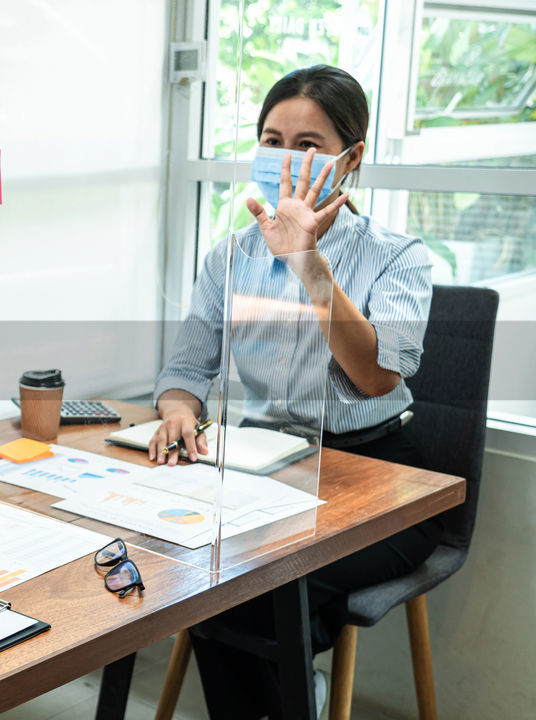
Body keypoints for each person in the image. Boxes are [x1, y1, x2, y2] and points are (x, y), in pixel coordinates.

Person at [151, 65, 443, 718]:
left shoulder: (401, 256)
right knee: (196, 563)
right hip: (268, 468)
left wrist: (308, 263)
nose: (286, 159)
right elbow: (185, 372)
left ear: (351, 157)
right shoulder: (229, 255)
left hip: (380, 476)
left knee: (266, 582)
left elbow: (373, 376)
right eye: (271, 139)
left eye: (308, 144)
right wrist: (177, 413)